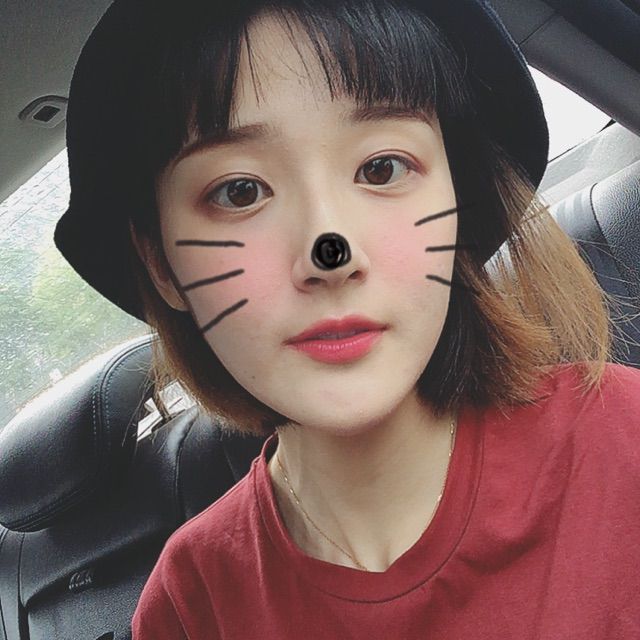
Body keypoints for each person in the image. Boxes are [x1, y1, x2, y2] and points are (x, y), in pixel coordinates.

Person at [54, 0, 640, 637]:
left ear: (458, 205)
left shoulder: (621, 438)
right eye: (239, 192)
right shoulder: (191, 604)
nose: (329, 253)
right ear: (162, 265)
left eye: (382, 168)